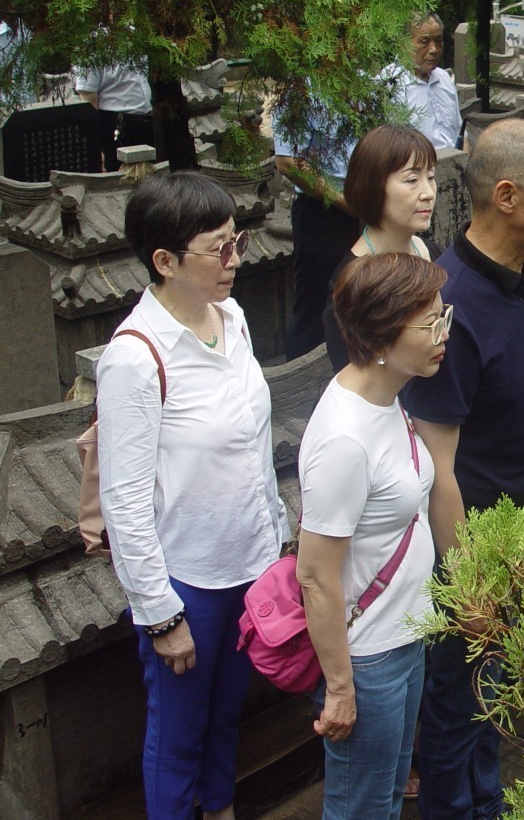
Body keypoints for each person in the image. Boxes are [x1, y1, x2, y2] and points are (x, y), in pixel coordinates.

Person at [97, 171, 289, 820]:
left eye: (237, 241)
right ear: (165, 261)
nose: (236, 260)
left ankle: (221, 807)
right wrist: (161, 615)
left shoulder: (231, 318)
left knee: (227, 715)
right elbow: (124, 501)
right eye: (220, 248)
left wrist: (275, 533)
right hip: (189, 579)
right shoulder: (135, 356)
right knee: (176, 734)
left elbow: (252, 442)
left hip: (248, 560)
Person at [403, 118, 524, 820]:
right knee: (456, 716)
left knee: (494, 710)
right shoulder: (451, 306)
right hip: (473, 553)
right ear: (507, 195)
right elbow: (436, 464)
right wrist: (469, 581)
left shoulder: (519, 278)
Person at [296, 252, 457, 820]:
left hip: (406, 635)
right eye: (430, 324)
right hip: (368, 658)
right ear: (383, 336)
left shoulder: (389, 399)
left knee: (387, 798)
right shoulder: (345, 437)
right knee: (361, 807)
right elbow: (315, 576)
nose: (443, 335)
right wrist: (340, 687)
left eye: (445, 317)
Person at [321, 124, 443, 371]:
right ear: (373, 186)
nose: (428, 192)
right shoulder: (352, 283)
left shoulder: (431, 252)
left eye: (430, 177)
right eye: (412, 180)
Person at [273, 99, 361, 360]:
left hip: (364, 207)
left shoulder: (360, 82)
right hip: (322, 210)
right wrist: (342, 201)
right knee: (317, 304)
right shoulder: (298, 91)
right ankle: (302, 384)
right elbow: (287, 162)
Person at [381, 11, 466, 154]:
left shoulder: (444, 78)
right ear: (404, 43)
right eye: (424, 41)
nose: (434, 50)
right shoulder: (389, 83)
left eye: (438, 40)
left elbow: (461, 133)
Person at [75, 61, 154, 171]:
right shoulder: (92, 48)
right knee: (120, 180)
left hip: (146, 120)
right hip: (116, 124)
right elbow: (88, 97)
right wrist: (96, 146)